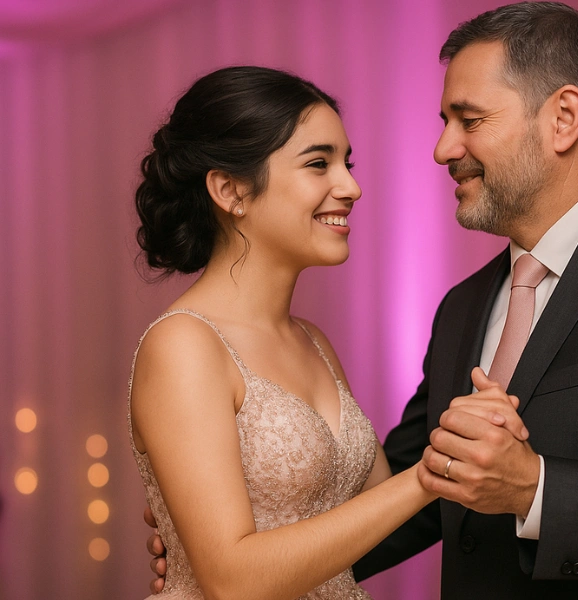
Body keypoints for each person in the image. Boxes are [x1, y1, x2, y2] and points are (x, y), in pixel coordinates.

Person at [147, 4, 578, 599]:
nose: (443, 149)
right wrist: (224, 541)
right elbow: (410, 487)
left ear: (563, 118)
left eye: (469, 121)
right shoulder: (463, 305)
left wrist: (535, 488)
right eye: (444, 123)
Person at [128, 65, 515, 600]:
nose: (351, 187)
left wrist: (484, 441)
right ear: (229, 189)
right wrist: (429, 473)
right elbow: (232, 582)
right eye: (318, 163)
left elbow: (373, 514)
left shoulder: (313, 342)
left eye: (346, 163)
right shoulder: (183, 347)